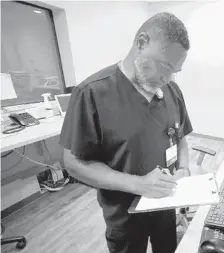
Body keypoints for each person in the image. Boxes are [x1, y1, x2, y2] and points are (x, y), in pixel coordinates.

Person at [59, 12, 192, 253]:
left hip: (167, 205)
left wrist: (183, 169)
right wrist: (139, 184)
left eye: (175, 71)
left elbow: (181, 137)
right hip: (126, 217)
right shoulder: (92, 93)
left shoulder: (171, 90)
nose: (168, 78)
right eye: (165, 66)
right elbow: (73, 162)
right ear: (142, 43)